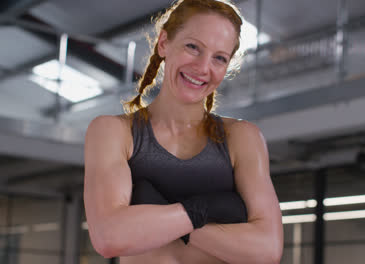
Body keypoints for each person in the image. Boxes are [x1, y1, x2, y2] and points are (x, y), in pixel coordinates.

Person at [83, 0, 283, 263]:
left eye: (219, 58)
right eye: (192, 47)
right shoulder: (114, 132)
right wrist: (203, 210)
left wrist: (164, 213)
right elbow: (109, 237)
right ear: (164, 43)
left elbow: (267, 249)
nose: (202, 67)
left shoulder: (242, 137)